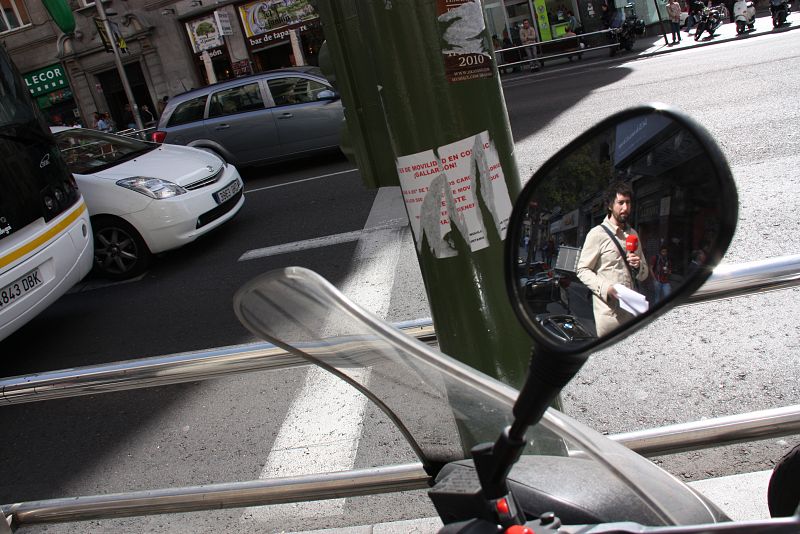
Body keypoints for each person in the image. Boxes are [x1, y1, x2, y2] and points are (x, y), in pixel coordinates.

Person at [576, 181, 649, 336]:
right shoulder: (597, 234)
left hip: (632, 314)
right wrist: (606, 289)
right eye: (620, 203)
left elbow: (644, 273)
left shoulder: (634, 234)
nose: (625, 208)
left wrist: (638, 266)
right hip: (609, 317)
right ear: (610, 205)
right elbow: (582, 270)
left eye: (628, 203)